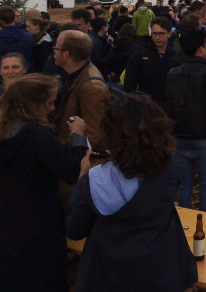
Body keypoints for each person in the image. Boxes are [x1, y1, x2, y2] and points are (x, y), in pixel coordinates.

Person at [0, 74, 89, 292]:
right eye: (49, 103)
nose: (51, 109)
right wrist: (77, 136)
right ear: (32, 105)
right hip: (34, 229)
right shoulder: (36, 135)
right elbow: (71, 170)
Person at [66, 94, 198, 292]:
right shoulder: (171, 168)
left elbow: (74, 229)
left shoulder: (93, 181)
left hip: (108, 277)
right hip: (160, 274)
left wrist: (83, 175)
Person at [167, 28, 206, 211]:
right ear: (201, 49)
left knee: (185, 185)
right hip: (205, 136)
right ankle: (205, 225)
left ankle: (185, 224)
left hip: (182, 136)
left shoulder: (172, 73)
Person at [53, 30, 112, 159]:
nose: (54, 51)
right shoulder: (72, 74)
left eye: (56, 48)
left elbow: (94, 135)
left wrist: (67, 154)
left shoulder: (92, 88)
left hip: (77, 161)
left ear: (66, 54)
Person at [124, 17, 180, 105]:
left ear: (169, 34)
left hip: (167, 107)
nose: (157, 37)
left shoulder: (173, 56)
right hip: (145, 107)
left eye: (161, 33)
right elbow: (129, 85)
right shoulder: (139, 55)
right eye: (154, 34)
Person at [0, 6, 35, 72]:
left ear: (1, 21)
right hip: (25, 75)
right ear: (13, 18)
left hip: (5, 76)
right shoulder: (28, 36)